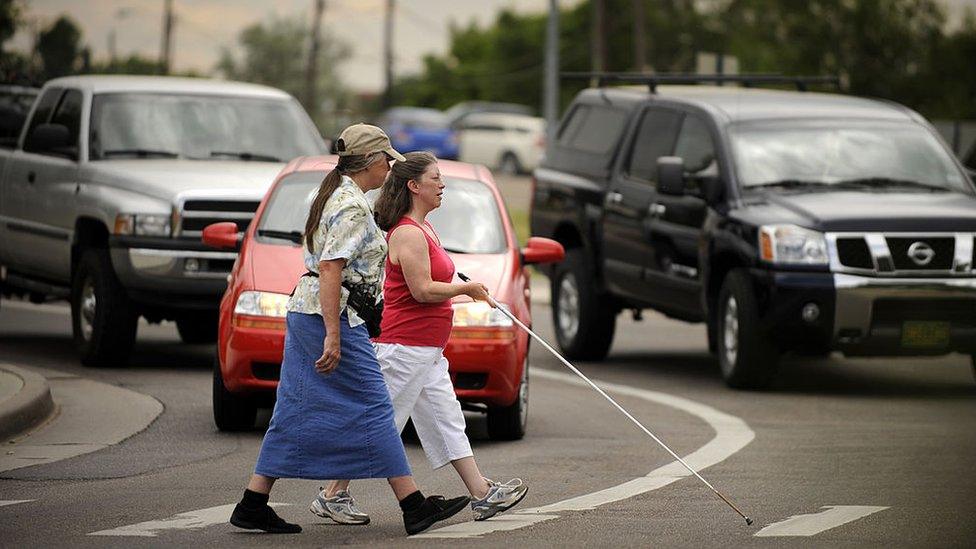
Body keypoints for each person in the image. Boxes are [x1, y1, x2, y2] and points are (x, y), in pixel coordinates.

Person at [230, 125, 470, 536]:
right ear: (373, 161)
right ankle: (412, 505)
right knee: (375, 406)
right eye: (387, 159)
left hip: (319, 314)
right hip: (330, 318)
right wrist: (332, 334)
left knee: (293, 408)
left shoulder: (341, 194)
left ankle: (253, 502)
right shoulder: (349, 205)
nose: (391, 166)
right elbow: (330, 268)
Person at [309, 151, 528, 526]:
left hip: (425, 350)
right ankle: (332, 493)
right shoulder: (408, 233)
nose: (442, 185)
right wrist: (467, 289)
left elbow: (434, 279)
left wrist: (465, 286)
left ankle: (481, 494)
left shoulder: (425, 229)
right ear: (414, 186)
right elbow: (422, 290)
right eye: (435, 179)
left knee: (447, 419)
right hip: (403, 347)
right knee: (379, 423)